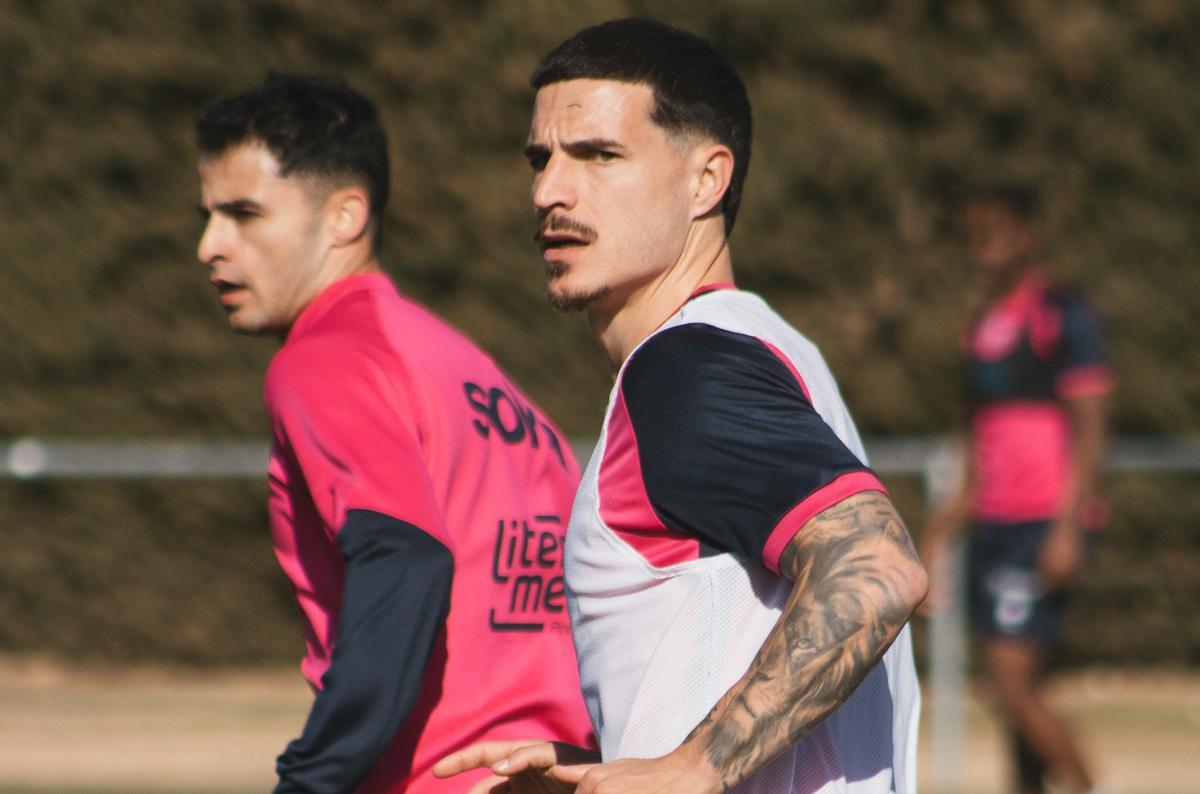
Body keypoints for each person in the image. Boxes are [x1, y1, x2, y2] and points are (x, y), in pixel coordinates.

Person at [435, 19, 928, 794]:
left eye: (598, 155)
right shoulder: (771, 348)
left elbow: (875, 569)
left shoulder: (685, 369)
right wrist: (613, 766)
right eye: (542, 159)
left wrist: (693, 766)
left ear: (707, 180)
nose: (548, 191)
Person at [194, 72, 594, 793]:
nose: (210, 245)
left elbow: (406, 559)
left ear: (345, 215)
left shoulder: (325, 358)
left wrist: (311, 782)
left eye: (243, 214)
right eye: (208, 216)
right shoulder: (473, 373)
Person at [921, 185, 1114, 794]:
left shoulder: (1063, 314)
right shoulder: (978, 329)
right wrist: (937, 535)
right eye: (973, 241)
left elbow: (1090, 427)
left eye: (994, 238)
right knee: (1010, 692)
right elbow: (975, 450)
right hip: (994, 527)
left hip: (1041, 525)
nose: (982, 253)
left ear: (1025, 239)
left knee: (1011, 680)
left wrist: (1066, 525)